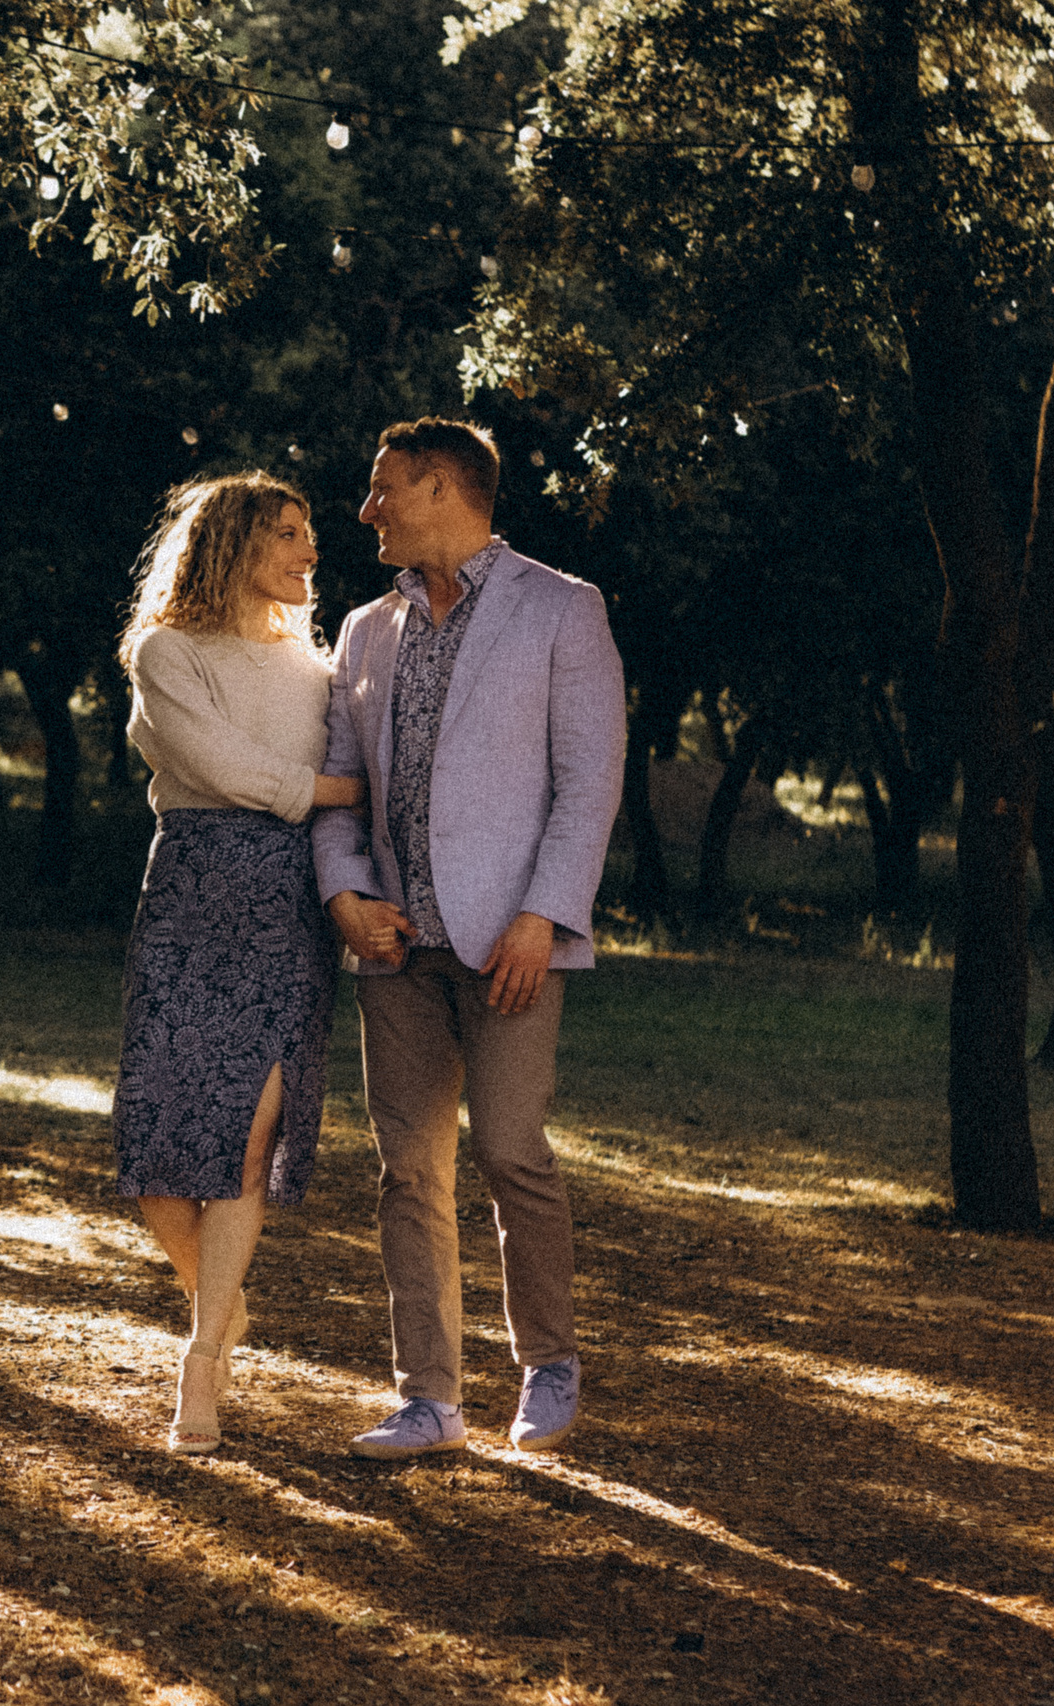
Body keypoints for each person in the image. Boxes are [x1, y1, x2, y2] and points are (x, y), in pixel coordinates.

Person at [312, 418, 624, 1460]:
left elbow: (588, 783)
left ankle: (547, 1361)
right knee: (408, 1165)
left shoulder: (561, 608)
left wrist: (546, 912)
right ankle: (429, 1400)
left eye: (381, 488)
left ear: (441, 487)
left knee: (507, 1149)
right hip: (394, 947)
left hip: (510, 942)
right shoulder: (362, 630)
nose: (367, 511)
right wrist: (345, 893)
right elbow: (340, 791)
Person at [113, 471, 364, 1455]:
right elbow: (221, 767)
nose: (310, 551)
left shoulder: (318, 665)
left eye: (309, 534)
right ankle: (214, 1293)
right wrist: (338, 790)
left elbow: (287, 777)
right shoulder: (164, 650)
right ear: (230, 546)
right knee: (157, 1154)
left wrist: (326, 811)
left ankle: (202, 1359)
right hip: (191, 892)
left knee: (247, 1143)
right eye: (289, 535)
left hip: (286, 907)